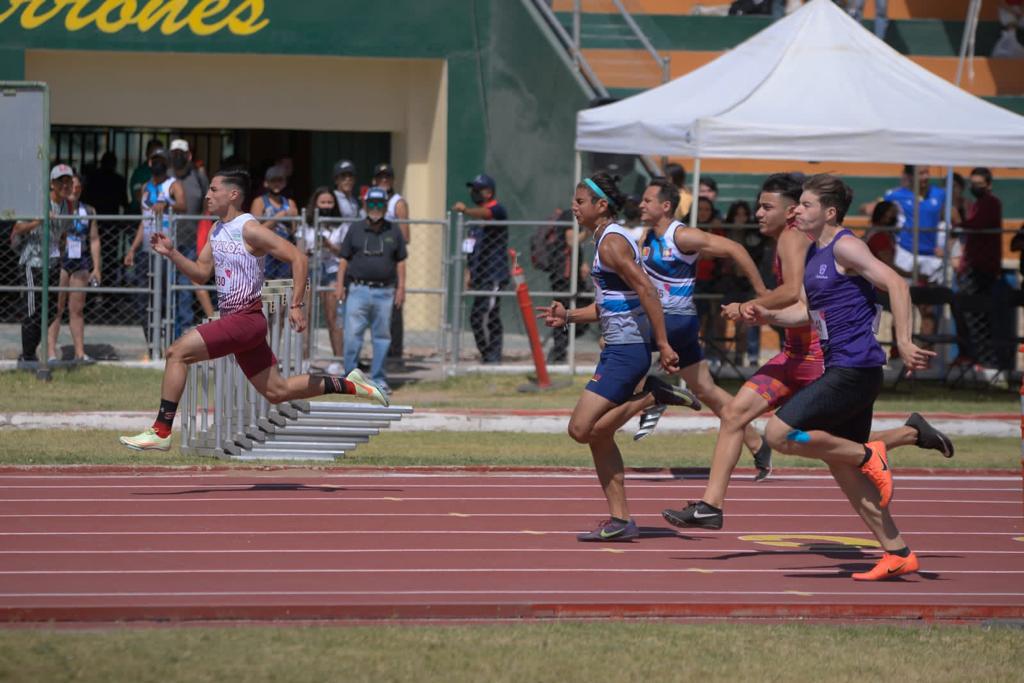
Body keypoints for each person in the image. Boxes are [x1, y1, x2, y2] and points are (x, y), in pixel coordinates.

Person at [673, 174, 942, 581]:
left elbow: (896, 284)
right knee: (843, 470)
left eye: (807, 204)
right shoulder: (816, 256)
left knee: (779, 435)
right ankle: (897, 551)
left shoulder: (846, 245)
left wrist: (903, 341)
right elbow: (808, 314)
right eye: (797, 204)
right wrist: (765, 315)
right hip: (843, 367)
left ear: (829, 212)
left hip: (856, 368)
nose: (797, 210)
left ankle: (872, 454)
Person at [119, 169, 388, 452]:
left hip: (245, 320)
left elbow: (298, 258)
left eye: (213, 189)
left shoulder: (250, 228)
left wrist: (296, 305)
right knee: (277, 391)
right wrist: (172, 253)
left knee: (176, 352)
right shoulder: (216, 229)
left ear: (233, 194)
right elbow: (200, 273)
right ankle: (350, 384)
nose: (207, 195)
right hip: (239, 323)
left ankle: (161, 430)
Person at [538, 172, 685, 543]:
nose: (573, 207)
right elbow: (613, 305)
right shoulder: (607, 239)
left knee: (580, 429)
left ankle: (653, 394)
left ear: (601, 205)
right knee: (599, 435)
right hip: (620, 348)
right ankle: (621, 520)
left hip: (627, 351)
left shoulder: (611, 245)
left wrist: (663, 345)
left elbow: (648, 290)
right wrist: (568, 316)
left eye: (580, 202)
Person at [630, 179, 772, 479]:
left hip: (673, 319)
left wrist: (761, 291)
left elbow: (734, 248)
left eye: (647, 200)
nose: (641, 205)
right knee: (705, 389)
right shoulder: (645, 237)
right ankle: (757, 444)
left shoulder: (682, 236)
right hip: (674, 323)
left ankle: (655, 396)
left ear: (665, 206)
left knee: (614, 347)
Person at [335, 187, 407, 393]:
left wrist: (401, 288)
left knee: (382, 336)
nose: (375, 208)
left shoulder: (394, 231)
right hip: (358, 289)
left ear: (385, 206)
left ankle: (378, 378)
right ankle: (350, 377)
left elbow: (401, 261)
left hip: (385, 292)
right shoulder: (355, 229)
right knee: (352, 335)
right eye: (371, 204)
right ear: (365, 205)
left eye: (379, 204)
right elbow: (343, 259)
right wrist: (340, 285)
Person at [125, 147, 186, 348]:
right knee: (144, 297)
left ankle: (169, 340)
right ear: (149, 163)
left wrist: (166, 204)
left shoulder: (173, 184)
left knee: (167, 297)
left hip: (166, 249)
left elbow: (183, 205)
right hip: (146, 250)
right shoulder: (145, 187)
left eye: (161, 160)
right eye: (154, 160)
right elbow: (144, 221)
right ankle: (151, 342)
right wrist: (133, 248)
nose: (157, 163)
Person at [13, 164, 73, 364]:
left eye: (68, 181)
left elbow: (62, 232)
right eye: (61, 181)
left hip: (53, 261)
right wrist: (39, 221)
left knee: (49, 310)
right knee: (33, 309)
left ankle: (31, 351)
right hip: (33, 261)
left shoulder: (67, 206)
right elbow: (18, 227)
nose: (65, 185)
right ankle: (27, 356)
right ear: (52, 184)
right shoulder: (39, 201)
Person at [454, 173, 508, 364]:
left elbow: (488, 214)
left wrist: (466, 210)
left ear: (488, 192)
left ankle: (493, 355)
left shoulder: (496, 209)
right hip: (479, 274)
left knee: (486, 314)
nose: (473, 193)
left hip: (494, 273)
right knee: (478, 316)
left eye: (478, 190)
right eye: (473, 189)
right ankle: (487, 354)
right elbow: (470, 248)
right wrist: (468, 274)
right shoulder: (475, 221)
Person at [47, 174, 101, 363]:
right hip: (60, 261)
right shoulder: (57, 208)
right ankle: (51, 353)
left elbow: (94, 239)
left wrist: (97, 267)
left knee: (76, 309)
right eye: (71, 186)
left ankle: (80, 352)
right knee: (56, 308)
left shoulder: (89, 210)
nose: (74, 190)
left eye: (77, 186)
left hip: (81, 262)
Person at [954, 167, 1003, 369]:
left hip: (983, 267)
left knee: (979, 314)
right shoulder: (978, 204)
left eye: (979, 184)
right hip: (973, 265)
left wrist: (958, 218)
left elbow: (976, 225)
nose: (975, 188)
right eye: (972, 183)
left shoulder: (991, 203)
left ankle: (984, 359)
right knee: (969, 312)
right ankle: (974, 357)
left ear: (988, 185)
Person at [169, 139, 211, 339]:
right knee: (165, 285)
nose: (177, 156)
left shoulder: (198, 176)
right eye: (174, 152)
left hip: (191, 239)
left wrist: (203, 229)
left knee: (186, 286)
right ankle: (167, 328)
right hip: (167, 241)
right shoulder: (165, 177)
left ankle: (184, 329)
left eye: (181, 153)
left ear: (188, 155)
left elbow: (207, 203)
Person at [300, 187, 345, 364]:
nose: (326, 205)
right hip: (310, 270)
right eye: (323, 202)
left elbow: (346, 253)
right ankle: (305, 360)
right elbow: (298, 249)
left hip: (332, 271)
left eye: (329, 202)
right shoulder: (306, 225)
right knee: (306, 314)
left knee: (332, 316)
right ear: (315, 204)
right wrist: (308, 251)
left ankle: (338, 361)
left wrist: (329, 246)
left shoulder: (341, 225)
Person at [372, 163, 409, 363]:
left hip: (391, 258)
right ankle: (379, 353)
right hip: (371, 259)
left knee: (394, 306)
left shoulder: (397, 202)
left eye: (387, 177)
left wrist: (387, 239)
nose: (384, 180)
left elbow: (406, 235)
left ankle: (395, 353)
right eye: (380, 177)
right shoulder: (370, 200)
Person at [251, 165, 300, 280]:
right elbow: (254, 230)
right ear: (266, 183)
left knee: (282, 286)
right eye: (273, 181)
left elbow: (294, 231)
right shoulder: (259, 202)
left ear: (285, 183)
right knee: (264, 285)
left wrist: (293, 219)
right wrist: (278, 217)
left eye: (280, 180)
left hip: (284, 249)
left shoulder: (290, 203)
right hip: (265, 250)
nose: (277, 184)